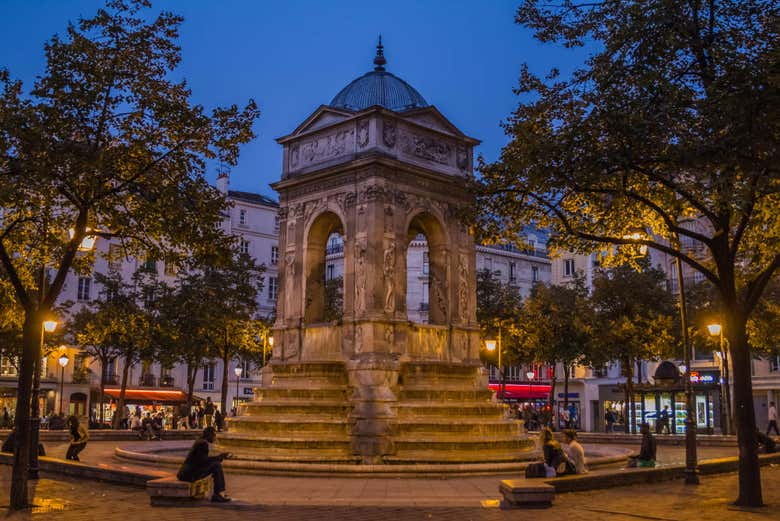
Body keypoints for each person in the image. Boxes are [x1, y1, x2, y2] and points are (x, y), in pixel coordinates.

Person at [177, 427, 232, 503]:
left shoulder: (200, 441)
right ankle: (218, 494)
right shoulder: (202, 443)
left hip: (187, 472)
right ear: (209, 435)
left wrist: (219, 457)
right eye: (214, 435)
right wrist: (219, 457)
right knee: (216, 466)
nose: (215, 437)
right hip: (189, 474)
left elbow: (202, 460)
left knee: (216, 465)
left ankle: (219, 493)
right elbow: (203, 461)